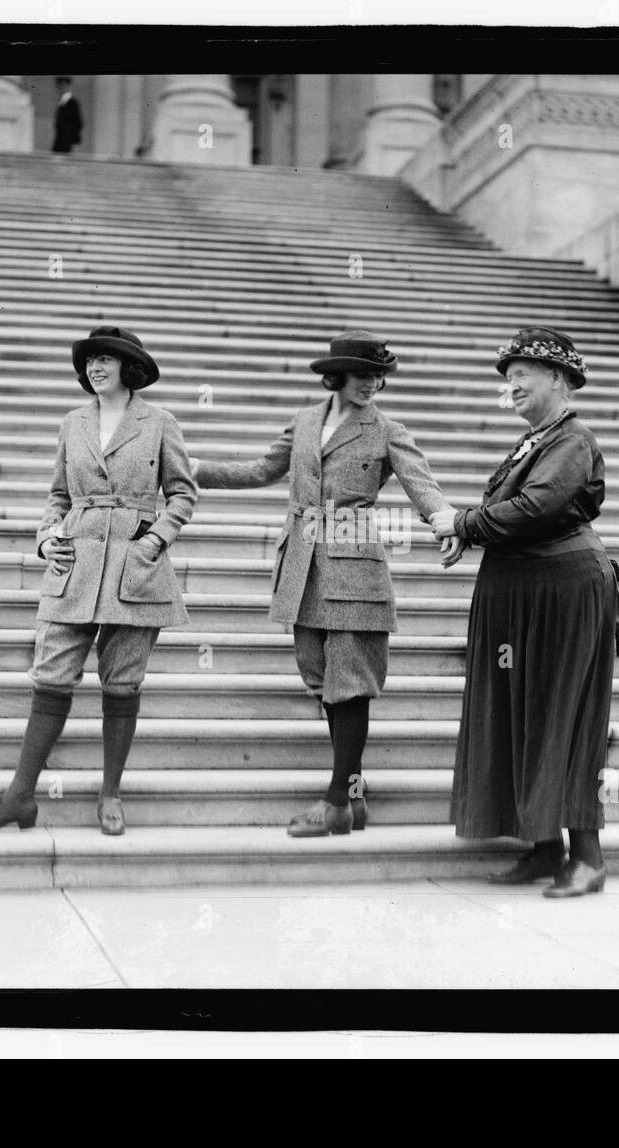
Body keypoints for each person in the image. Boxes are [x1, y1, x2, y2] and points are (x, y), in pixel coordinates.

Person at [191, 331, 456, 837]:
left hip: (355, 566)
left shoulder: (387, 430)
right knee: (320, 679)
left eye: (379, 376)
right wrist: (196, 468)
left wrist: (445, 521)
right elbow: (263, 469)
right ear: (336, 376)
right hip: (302, 568)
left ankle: (338, 801)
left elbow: (422, 482)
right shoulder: (306, 421)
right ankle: (352, 799)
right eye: (363, 375)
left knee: (350, 683)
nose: (372, 384)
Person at [0, 325, 197, 836]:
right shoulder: (73, 422)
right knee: (51, 677)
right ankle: (18, 799)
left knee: (123, 683)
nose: (95, 367)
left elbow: (182, 494)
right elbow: (57, 497)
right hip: (75, 565)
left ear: (128, 368)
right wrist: (46, 539)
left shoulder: (159, 422)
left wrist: (155, 540)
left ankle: (110, 793)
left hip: (137, 570)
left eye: (106, 360)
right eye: (89, 361)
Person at [434, 327, 617, 897]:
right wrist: (474, 530)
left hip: (560, 590)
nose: (510, 386)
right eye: (507, 377)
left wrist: (463, 524)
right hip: (521, 591)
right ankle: (545, 848)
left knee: (564, 715)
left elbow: (537, 507)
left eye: (522, 375)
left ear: (559, 381)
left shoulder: (572, 440)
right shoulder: (537, 440)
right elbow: (513, 508)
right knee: (522, 715)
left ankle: (588, 858)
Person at [53, 76, 83, 153]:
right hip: (60, 138)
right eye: (60, 85)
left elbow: (78, 122)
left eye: (64, 85)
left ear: (68, 86)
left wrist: (73, 141)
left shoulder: (73, 102)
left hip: (67, 140)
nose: (61, 87)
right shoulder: (61, 101)